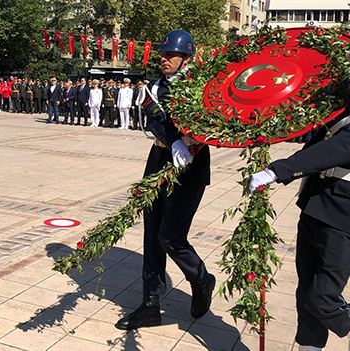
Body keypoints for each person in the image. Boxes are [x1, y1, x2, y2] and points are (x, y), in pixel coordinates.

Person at [249, 37, 350, 351]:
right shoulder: (342, 101)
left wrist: (279, 170)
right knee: (306, 292)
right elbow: (312, 136)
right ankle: (310, 348)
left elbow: (338, 149)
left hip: (348, 213)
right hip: (317, 204)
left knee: (323, 297)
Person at [115, 30, 214, 331]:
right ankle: (150, 304)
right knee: (152, 235)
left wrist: (189, 142)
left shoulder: (202, 88)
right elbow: (154, 119)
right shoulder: (154, 87)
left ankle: (201, 279)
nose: (164, 58)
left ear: (187, 58)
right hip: (160, 158)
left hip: (191, 165)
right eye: (163, 53)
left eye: (171, 55)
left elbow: (214, 118)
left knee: (170, 237)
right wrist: (173, 142)